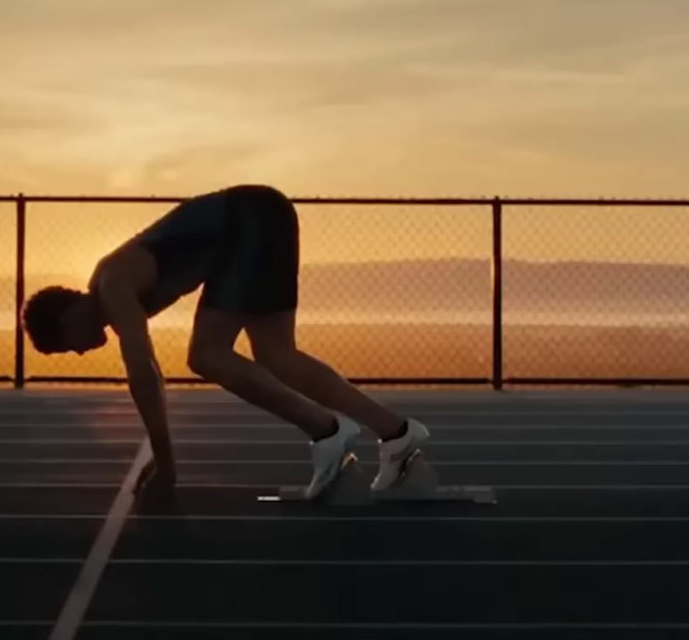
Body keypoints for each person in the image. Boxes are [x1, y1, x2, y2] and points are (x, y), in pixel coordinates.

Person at [22, 183, 428, 506]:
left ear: (68, 316)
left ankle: (327, 430)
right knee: (277, 355)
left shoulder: (112, 286)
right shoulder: (113, 283)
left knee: (207, 355)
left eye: (67, 345)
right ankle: (397, 434)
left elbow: (143, 369)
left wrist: (166, 464)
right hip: (265, 215)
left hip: (250, 220)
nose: (77, 352)